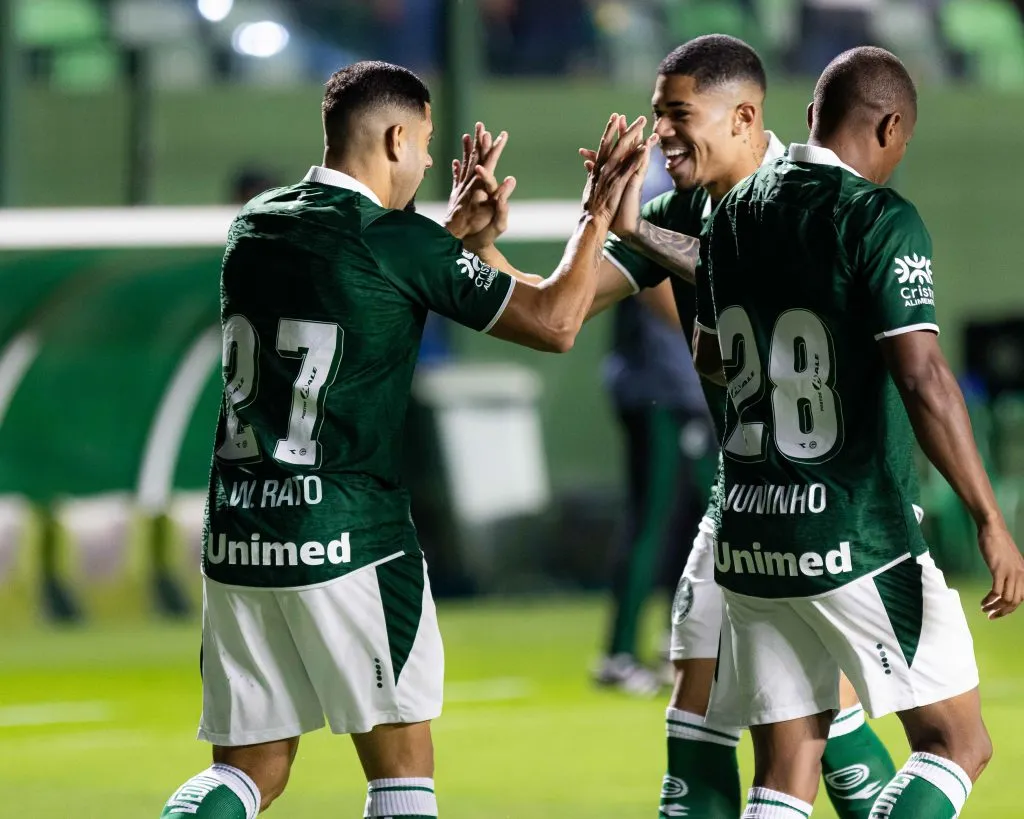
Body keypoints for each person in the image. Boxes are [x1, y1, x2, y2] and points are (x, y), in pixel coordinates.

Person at [157, 60, 651, 819]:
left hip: (242, 535)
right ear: (394, 137)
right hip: (353, 541)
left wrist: (448, 235)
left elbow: (358, 284)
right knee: (401, 772)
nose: (425, 163)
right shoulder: (393, 240)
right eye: (422, 146)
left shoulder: (255, 224)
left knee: (248, 768)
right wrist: (595, 213)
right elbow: (554, 323)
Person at [468, 34, 898, 819]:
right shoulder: (679, 207)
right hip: (741, 506)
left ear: (744, 117)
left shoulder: (809, 192)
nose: (659, 133)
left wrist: (635, 232)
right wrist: (480, 250)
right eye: (656, 114)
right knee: (698, 722)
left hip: (830, 508)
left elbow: (767, 276)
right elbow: (555, 313)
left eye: (676, 115)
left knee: (822, 741)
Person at [692, 46, 1024, 818]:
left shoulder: (730, 211)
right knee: (955, 744)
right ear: (891, 124)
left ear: (810, 117)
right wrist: (990, 516)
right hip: (855, 533)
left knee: (783, 769)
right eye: (902, 142)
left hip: (748, 539)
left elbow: (710, 356)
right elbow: (925, 378)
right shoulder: (877, 216)